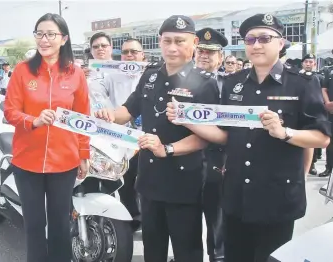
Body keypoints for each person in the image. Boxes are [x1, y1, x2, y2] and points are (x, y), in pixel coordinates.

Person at [166, 13, 330, 262]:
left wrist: (285, 133)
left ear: (281, 43)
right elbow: (223, 135)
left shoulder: (302, 84)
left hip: (276, 197)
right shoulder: (233, 83)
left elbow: (321, 138)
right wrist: (186, 118)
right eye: (250, 39)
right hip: (236, 195)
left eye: (264, 38)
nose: (256, 45)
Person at [95, 15, 220, 262]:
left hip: (184, 183)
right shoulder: (150, 76)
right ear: (159, 42)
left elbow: (207, 136)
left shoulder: (205, 84)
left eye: (180, 41)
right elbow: (128, 111)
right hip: (149, 180)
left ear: (194, 42)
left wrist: (168, 148)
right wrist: (109, 115)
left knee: (187, 251)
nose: (172, 48)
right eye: (167, 41)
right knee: (153, 249)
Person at [3, 13, 90, 262]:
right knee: (34, 224)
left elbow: (83, 118)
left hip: (64, 162)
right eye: (39, 33)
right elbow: (10, 111)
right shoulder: (22, 71)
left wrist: (84, 154)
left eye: (51, 34)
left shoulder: (75, 74)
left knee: (61, 224)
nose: (44, 39)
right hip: (27, 161)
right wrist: (33, 121)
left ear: (63, 39)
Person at [98, 38, 146, 232]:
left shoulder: (152, 76)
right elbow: (98, 98)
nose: (129, 56)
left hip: (148, 137)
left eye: (133, 52)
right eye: (125, 52)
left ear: (142, 54)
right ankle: (133, 219)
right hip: (122, 138)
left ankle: (150, 219)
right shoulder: (111, 77)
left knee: (148, 181)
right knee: (126, 181)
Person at [194, 27, 228, 262]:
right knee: (187, 216)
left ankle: (217, 256)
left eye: (211, 52)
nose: (205, 55)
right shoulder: (181, 81)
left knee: (217, 217)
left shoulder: (230, 85)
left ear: (221, 57)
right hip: (186, 158)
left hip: (217, 158)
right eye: (201, 51)